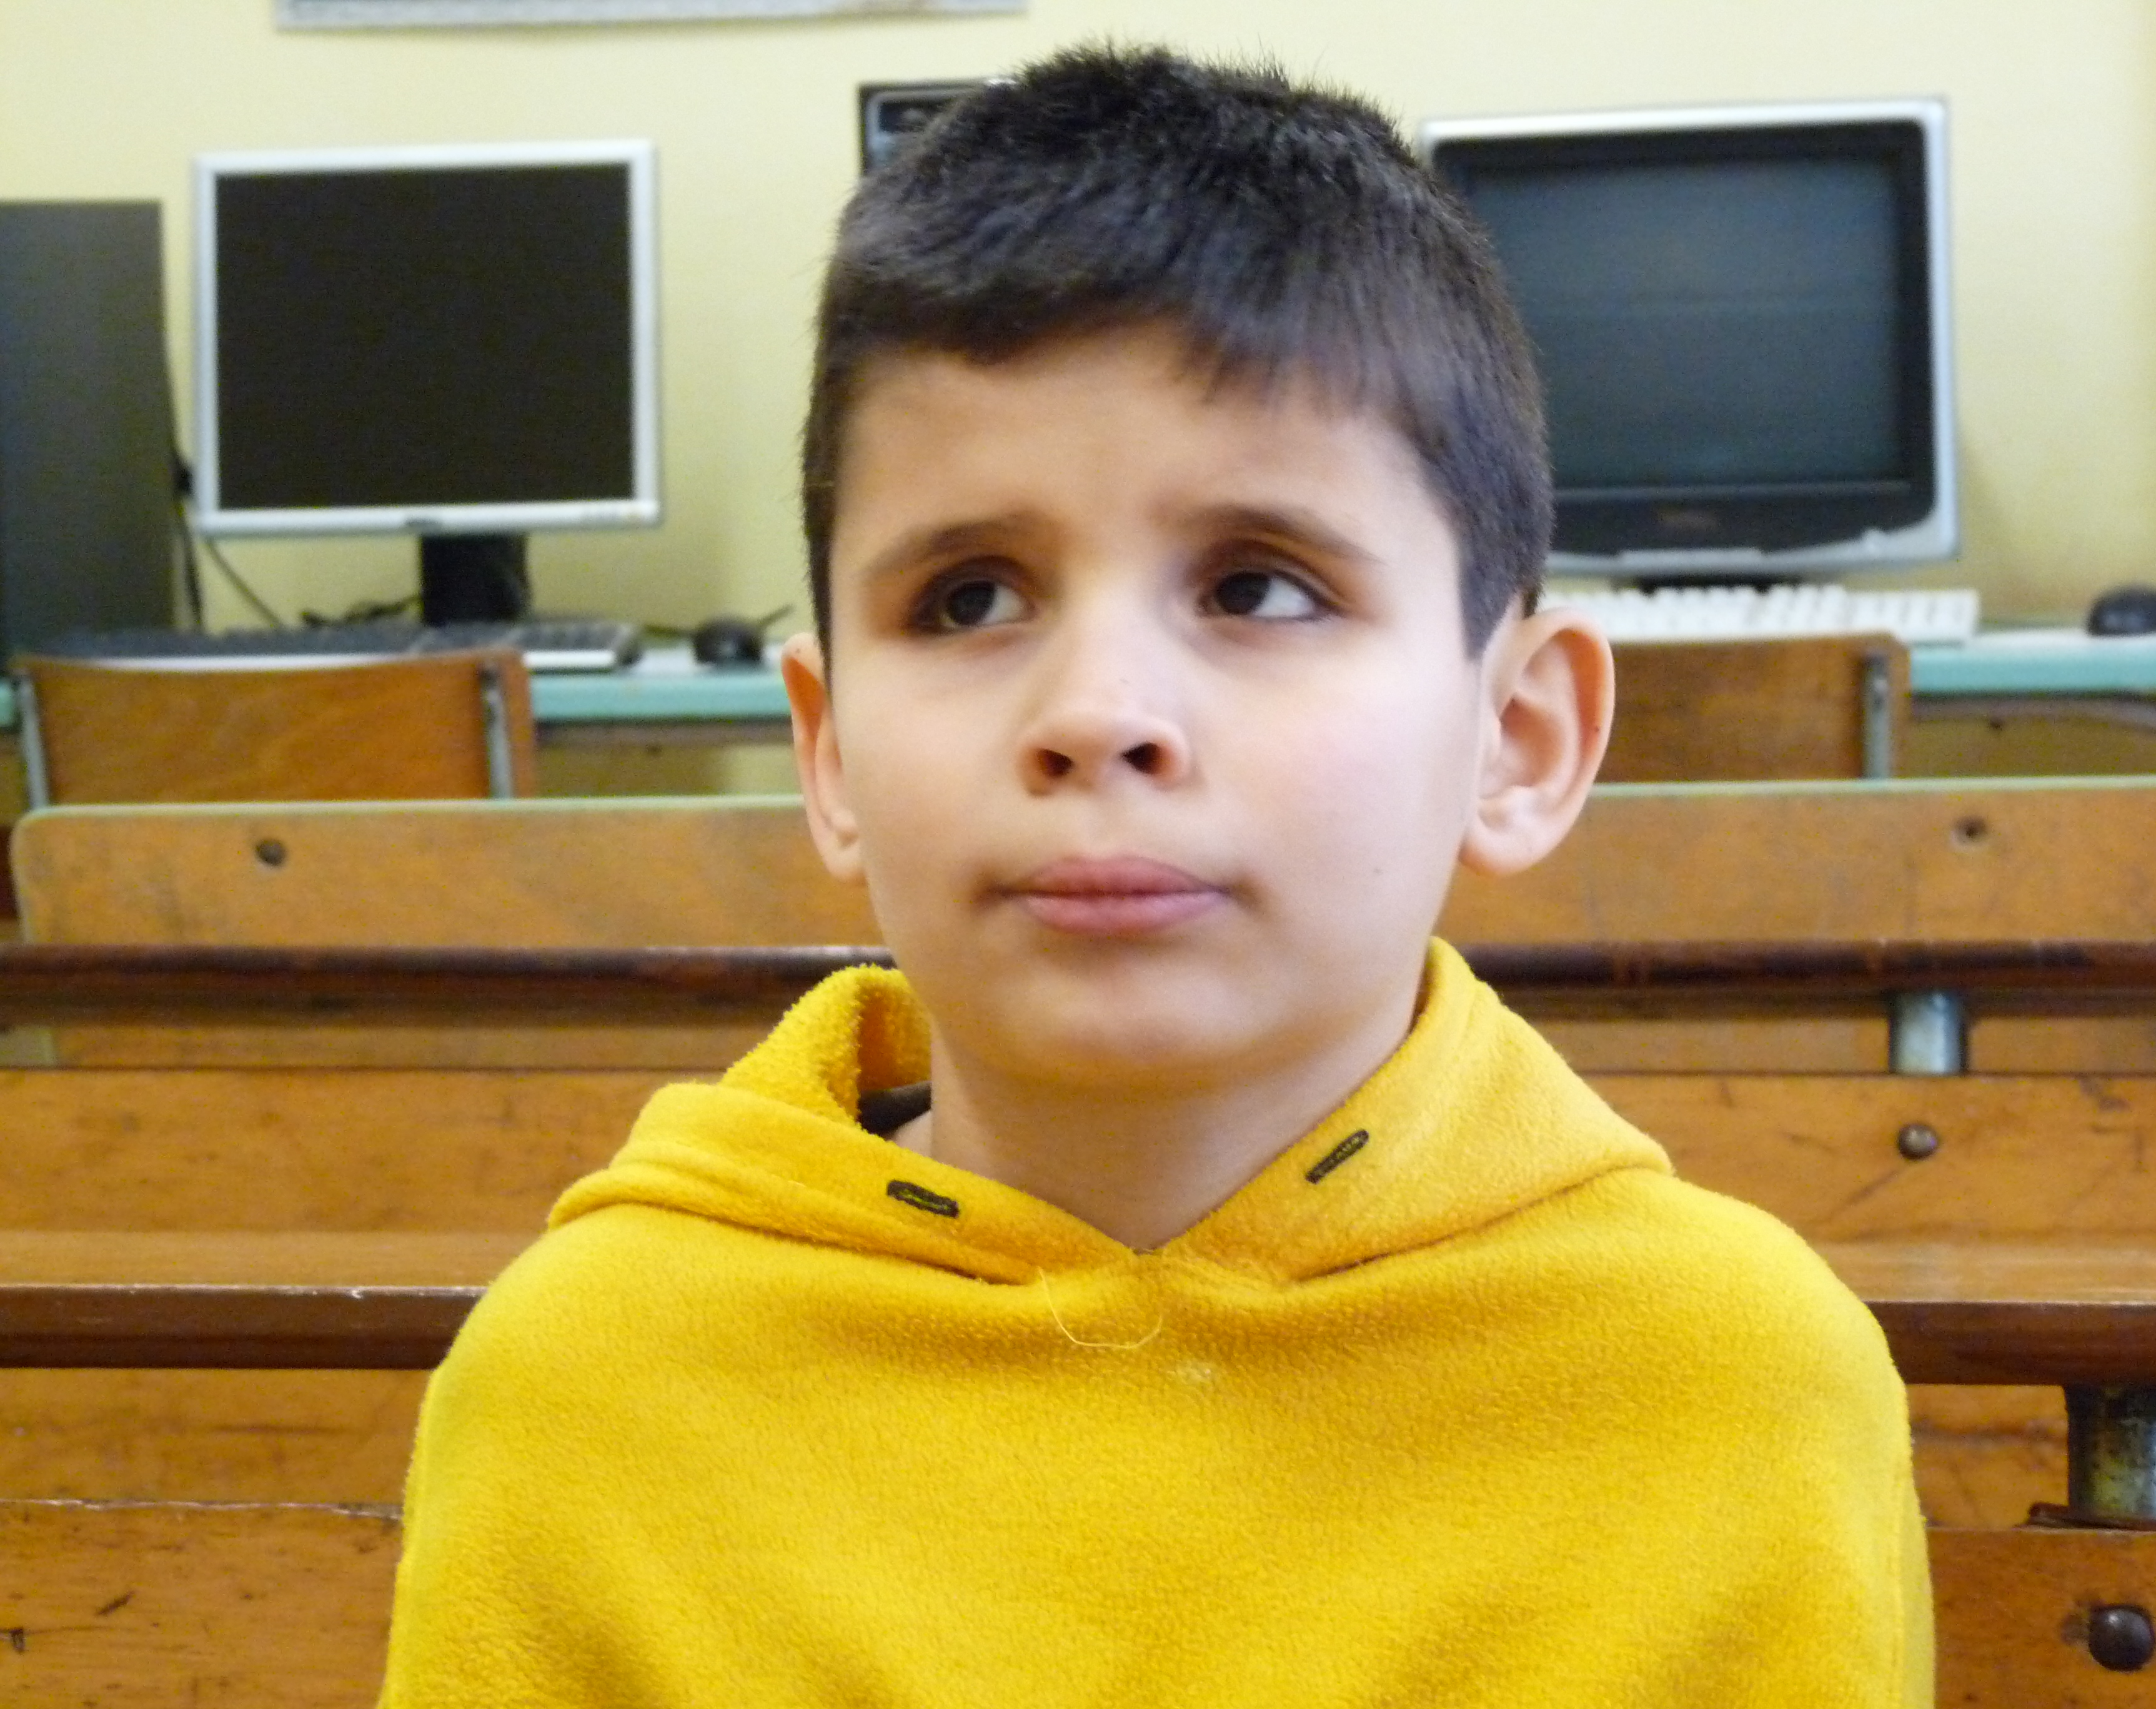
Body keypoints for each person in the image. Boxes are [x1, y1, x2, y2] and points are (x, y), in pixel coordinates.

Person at [379, 46, 1932, 1707]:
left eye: (1260, 588)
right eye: (970, 599)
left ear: (1518, 735)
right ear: (827, 758)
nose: (1099, 714)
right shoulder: (586, 1385)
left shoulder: (1732, 1387)